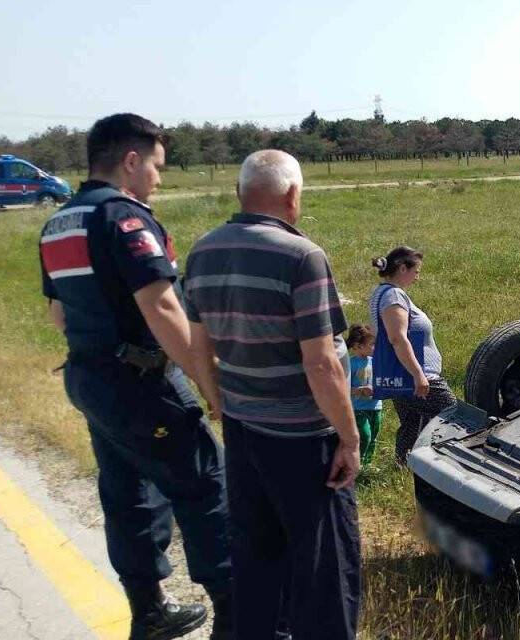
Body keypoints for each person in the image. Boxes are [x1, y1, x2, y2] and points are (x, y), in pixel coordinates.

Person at [37, 113, 232, 640]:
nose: (159, 178)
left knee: (127, 491)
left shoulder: (59, 221)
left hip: (88, 378)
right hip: (141, 383)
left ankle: (148, 611)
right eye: (156, 166)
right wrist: (209, 384)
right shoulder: (124, 217)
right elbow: (163, 309)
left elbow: (58, 315)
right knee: (204, 485)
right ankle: (237, 617)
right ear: (130, 161)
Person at [182, 149, 360, 639]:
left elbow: (199, 348)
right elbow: (321, 362)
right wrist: (348, 438)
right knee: (325, 573)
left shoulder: (203, 250)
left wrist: (219, 404)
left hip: (242, 430)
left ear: (240, 193)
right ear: (293, 196)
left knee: (258, 560)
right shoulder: (302, 256)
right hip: (304, 439)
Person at [369, 246, 457, 463]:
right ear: (401, 268)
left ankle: (404, 468)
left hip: (401, 374)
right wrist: (419, 374)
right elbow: (397, 338)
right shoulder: (393, 296)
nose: (418, 277)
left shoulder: (381, 293)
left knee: (412, 423)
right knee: (455, 416)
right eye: (416, 271)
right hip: (417, 376)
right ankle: (448, 466)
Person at [345, 325, 383, 464]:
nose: (374, 347)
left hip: (376, 406)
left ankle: (368, 465)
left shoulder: (376, 362)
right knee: (364, 436)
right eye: (371, 344)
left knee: (373, 437)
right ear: (358, 346)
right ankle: (357, 464)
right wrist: (360, 390)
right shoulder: (350, 363)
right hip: (358, 408)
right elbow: (343, 388)